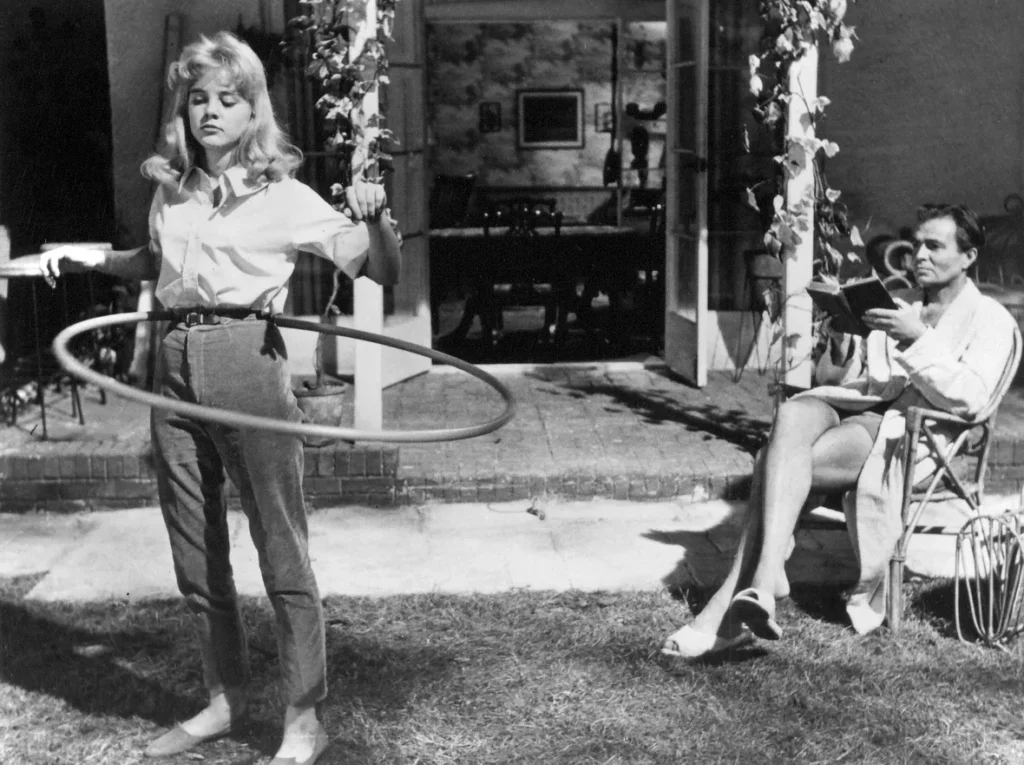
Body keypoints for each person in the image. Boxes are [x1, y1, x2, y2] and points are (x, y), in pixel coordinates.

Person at [40, 32, 400, 765]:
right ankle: (224, 698)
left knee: (279, 545)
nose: (210, 110)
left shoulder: (284, 196)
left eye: (227, 99)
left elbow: (379, 270)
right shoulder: (172, 187)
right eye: (198, 97)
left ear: (252, 110)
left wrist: (376, 215)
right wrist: (83, 258)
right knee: (196, 551)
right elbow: (156, 262)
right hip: (169, 363)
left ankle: (304, 715)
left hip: (244, 362)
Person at [661, 203, 1020, 659]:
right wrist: (844, 332)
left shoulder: (992, 320)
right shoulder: (902, 304)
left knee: (772, 461)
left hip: (909, 435)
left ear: (968, 257)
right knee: (792, 413)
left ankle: (726, 610)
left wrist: (916, 338)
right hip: (863, 408)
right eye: (916, 246)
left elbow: (971, 397)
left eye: (935, 246)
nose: (920, 256)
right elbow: (855, 381)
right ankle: (766, 577)